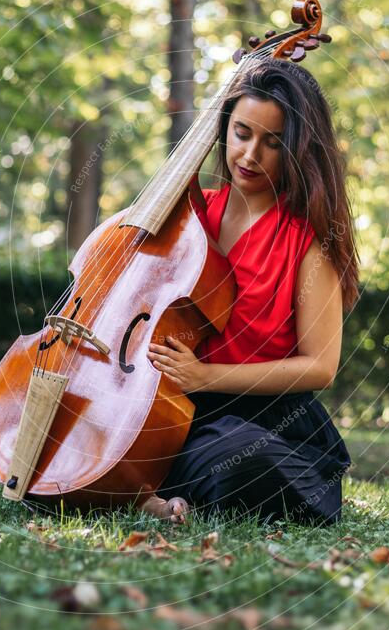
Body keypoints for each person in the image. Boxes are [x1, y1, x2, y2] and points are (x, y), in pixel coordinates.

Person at [140, 58, 359, 525]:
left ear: (298, 149)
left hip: (266, 422)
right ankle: (148, 487)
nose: (250, 155)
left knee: (239, 457)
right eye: (242, 133)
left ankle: (146, 490)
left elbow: (320, 367)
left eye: (273, 142)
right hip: (179, 407)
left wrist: (205, 378)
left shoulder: (307, 243)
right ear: (224, 128)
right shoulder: (190, 215)